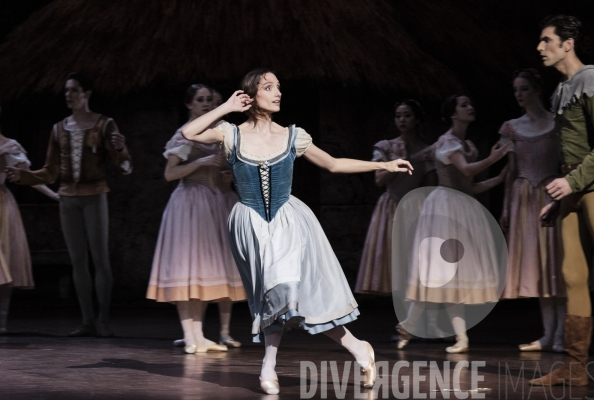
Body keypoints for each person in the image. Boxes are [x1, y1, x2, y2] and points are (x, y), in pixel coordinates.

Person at [180, 68, 413, 395]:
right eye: (269, 87)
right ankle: (358, 348)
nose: (278, 93)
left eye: (279, 87)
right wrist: (226, 107)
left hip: (288, 221)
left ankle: (269, 366)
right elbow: (189, 133)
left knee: (286, 293)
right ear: (251, 94)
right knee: (276, 298)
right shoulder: (229, 133)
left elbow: (333, 164)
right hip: (249, 223)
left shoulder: (294, 135)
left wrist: (383, 165)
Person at [5, 72, 133, 338]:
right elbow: (50, 172)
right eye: (67, 91)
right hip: (68, 198)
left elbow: (124, 167)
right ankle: (86, 321)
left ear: (86, 94)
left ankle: (104, 320)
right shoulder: (58, 129)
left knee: (99, 259)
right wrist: (24, 176)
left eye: (74, 90)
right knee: (77, 261)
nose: (68, 95)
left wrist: (121, 150)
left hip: (94, 194)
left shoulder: (104, 124)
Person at [396, 94, 510, 353]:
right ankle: (414, 326)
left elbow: (469, 186)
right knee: (441, 272)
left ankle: (454, 336)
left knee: (453, 276)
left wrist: (499, 178)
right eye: (464, 105)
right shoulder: (447, 143)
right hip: (445, 208)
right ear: (452, 114)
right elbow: (468, 170)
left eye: (471, 103)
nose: (470, 108)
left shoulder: (466, 145)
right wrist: (497, 157)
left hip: (462, 207)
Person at [146, 84, 245, 353]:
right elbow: (170, 174)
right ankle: (191, 335)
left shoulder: (221, 131)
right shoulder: (185, 134)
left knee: (203, 272)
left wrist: (228, 177)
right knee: (186, 269)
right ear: (189, 104)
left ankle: (200, 335)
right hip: (190, 202)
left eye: (209, 100)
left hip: (216, 202)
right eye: (200, 100)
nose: (206, 104)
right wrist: (200, 164)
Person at [530, 15, 594, 387]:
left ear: (566, 44)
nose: (540, 47)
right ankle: (574, 368)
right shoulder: (560, 90)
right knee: (573, 275)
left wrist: (572, 182)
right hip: (572, 188)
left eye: (546, 40)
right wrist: (560, 197)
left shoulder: (592, 79)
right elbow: (568, 149)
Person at [498, 69, 565, 353]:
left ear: (537, 90)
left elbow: (566, 163)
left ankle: (562, 334)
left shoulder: (557, 123)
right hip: (524, 199)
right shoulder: (511, 127)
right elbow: (511, 171)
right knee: (538, 267)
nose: (519, 95)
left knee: (558, 266)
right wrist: (505, 208)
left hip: (552, 194)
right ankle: (547, 333)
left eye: (524, 88)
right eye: (516, 90)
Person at [355, 100, 436, 295]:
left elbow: (431, 185)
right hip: (391, 205)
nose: (402, 120)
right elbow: (379, 180)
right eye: (398, 116)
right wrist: (399, 161)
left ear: (417, 119)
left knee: (415, 259)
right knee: (392, 255)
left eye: (407, 115)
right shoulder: (387, 147)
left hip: (416, 206)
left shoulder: (427, 151)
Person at [0, 108, 59, 334]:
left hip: (2, 205)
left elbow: (28, 176)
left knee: (4, 264)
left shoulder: (8, 146)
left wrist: (52, 195)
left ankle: (2, 321)